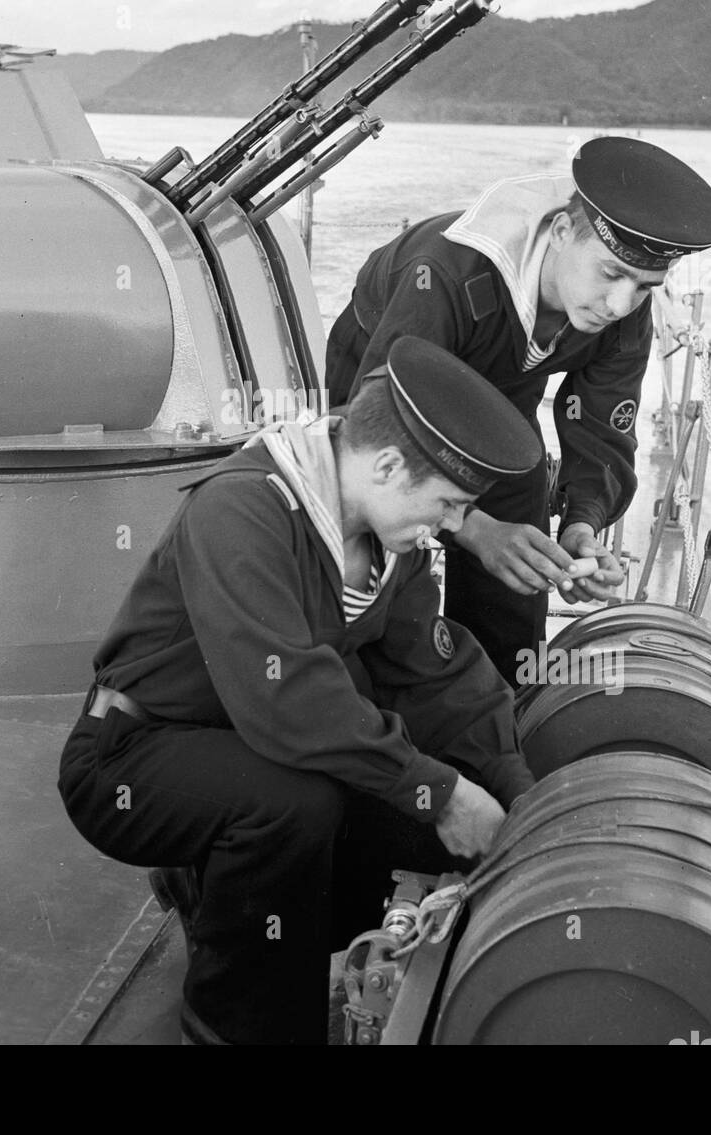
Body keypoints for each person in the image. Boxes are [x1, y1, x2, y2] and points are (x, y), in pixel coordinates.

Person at [58, 336, 541, 1045]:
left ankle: (335, 969)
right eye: (447, 504)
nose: (450, 526)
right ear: (386, 465)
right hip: (131, 755)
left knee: (394, 794)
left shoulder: (390, 542)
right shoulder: (243, 509)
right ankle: (233, 1024)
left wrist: (515, 793)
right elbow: (286, 699)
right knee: (300, 802)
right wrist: (437, 792)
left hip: (244, 745)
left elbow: (434, 678)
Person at [324, 137, 711, 687]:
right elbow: (380, 425)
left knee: (520, 520)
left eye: (645, 287)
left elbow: (604, 423)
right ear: (562, 233)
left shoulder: (626, 306)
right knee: (381, 526)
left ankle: (497, 699)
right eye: (609, 275)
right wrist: (472, 527)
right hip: (386, 365)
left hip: (502, 379)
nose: (619, 305)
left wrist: (582, 525)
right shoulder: (446, 274)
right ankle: (375, 686)